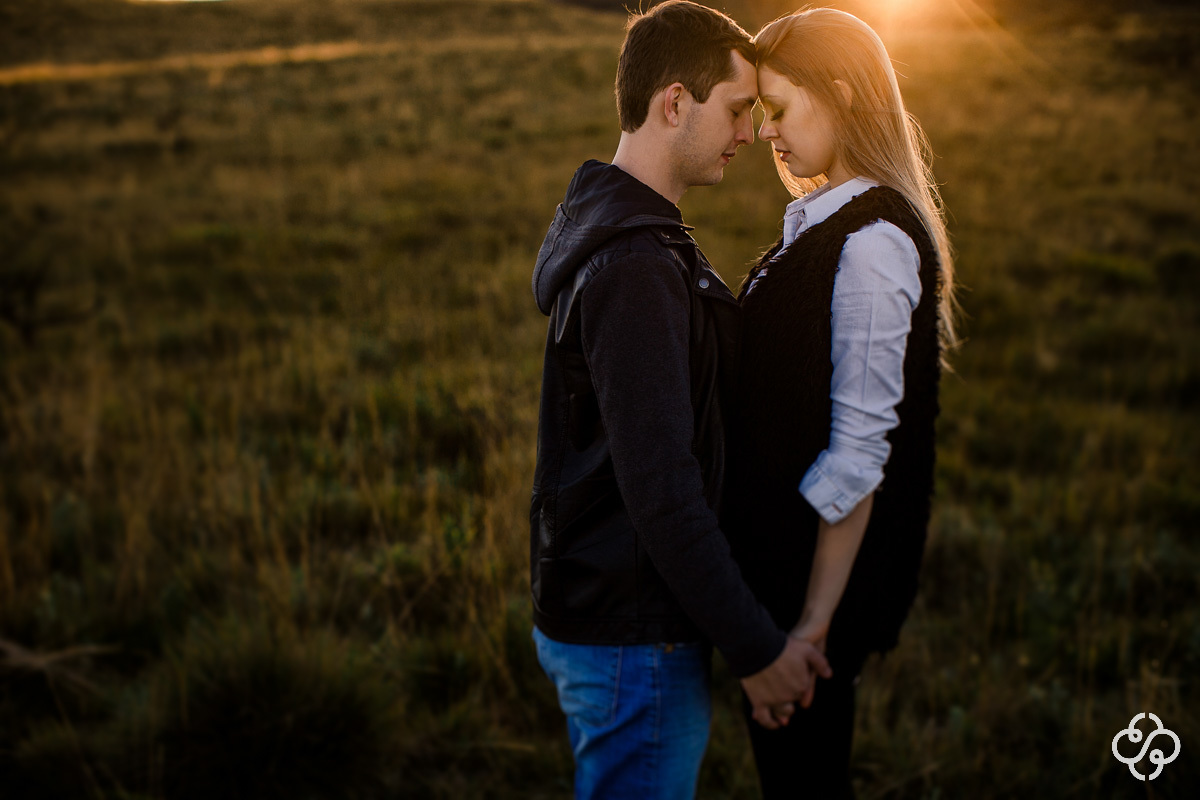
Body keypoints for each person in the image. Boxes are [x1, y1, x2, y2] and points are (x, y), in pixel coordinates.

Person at [529, 2, 830, 797]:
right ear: (673, 103)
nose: (748, 133)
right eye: (735, 109)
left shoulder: (631, 234)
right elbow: (663, 491)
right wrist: (759, 652)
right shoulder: (634, 265)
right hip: (634, 637)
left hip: (611, 620)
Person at [721, 8, 958, 798]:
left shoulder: (873, 242)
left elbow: (859, 453)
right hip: (777, 587)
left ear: (842, 92)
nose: (765, 135)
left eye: (779, 110)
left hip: (808, 603)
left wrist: (808, 630)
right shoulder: (825, 224)